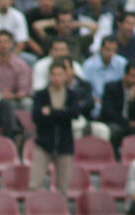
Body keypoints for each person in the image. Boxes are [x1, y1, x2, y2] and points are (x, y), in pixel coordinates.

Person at [30, 59, 89, 195]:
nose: (56, 78)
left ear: (65, 76)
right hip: (43, 143)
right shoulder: (41, 95)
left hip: (65, 144)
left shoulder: (72, 95)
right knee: (34, 184)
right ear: (49, 76)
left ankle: (61, 208)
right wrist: (63, 113)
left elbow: (75, 113)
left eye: (60, 74)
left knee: (63, 187)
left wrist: (51, 112)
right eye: (54, 74)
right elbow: (36, 117)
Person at [0, 30, 33, 112]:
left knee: (28, 102)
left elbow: (24, 89)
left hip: (15, 100)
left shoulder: (21, 64)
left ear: (12, 44)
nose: (3, 45)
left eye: (6, 42)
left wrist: (13, 95)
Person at [83, 36, 128, 118]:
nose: (110, 53)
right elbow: (86, 89)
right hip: (96, 103)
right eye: (107, 50)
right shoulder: (89, 65)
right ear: (101, 49)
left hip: (117, 104)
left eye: (113, 50)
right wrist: (99, 101)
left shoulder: (122, 63)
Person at [100, 61, 135, 156]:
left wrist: (132, 101)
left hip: (130, 123)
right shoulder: (111, 87)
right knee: (115, 130)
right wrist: (126, 122)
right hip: (114, 121)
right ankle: (114, 157)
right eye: (132, 76)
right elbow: (107, 111)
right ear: (125, 75)